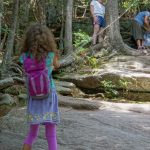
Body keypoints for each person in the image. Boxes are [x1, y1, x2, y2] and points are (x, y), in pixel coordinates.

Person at [20, 23, 60, 150]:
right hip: (48, 94)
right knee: (51, 133)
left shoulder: (24, 56)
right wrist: (52, 65)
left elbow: (27, 70)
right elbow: (57, 65)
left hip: (33, 95)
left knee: (32, 132)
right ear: (47, 38)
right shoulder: (50, 55)